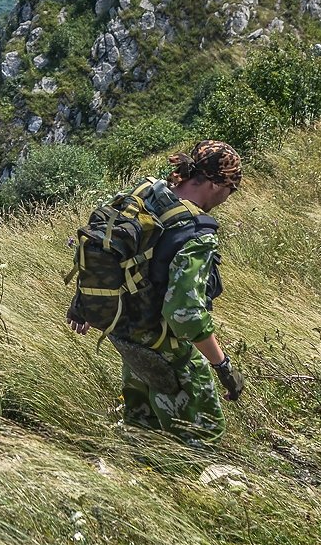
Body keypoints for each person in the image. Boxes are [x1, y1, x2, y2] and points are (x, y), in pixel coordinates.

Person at [70, 139, 245, 444]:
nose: (228, 198)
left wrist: (86, 301)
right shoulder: (196, 232)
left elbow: (104, 242)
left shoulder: (144, 193)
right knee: (203, 436)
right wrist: (222, 365)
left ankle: (139, 479)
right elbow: (186, 315)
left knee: (142, 428)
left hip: (125, 333)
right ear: (217, 184)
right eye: (232, 190)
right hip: (163, 345)